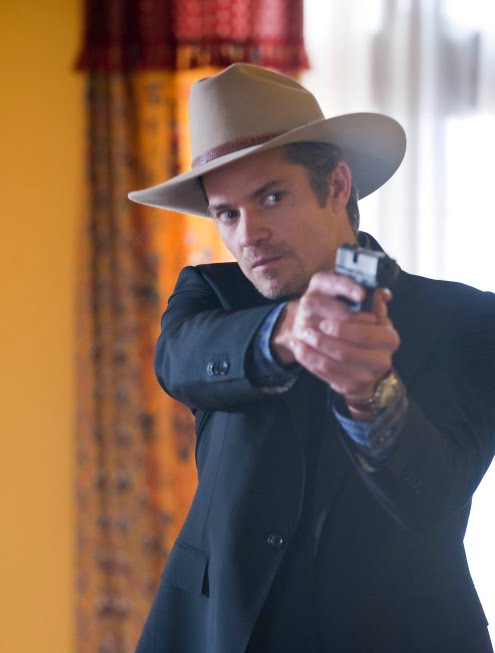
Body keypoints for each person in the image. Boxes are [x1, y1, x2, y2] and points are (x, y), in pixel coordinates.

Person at [128, 64, 495, 652]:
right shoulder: (210, 294)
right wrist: (286, 333)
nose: (248, 234)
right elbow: (178, 362)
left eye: (272, 197)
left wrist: (372, 397)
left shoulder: (469, 320)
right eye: (227, 213)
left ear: (338, 186)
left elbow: (433, 498)